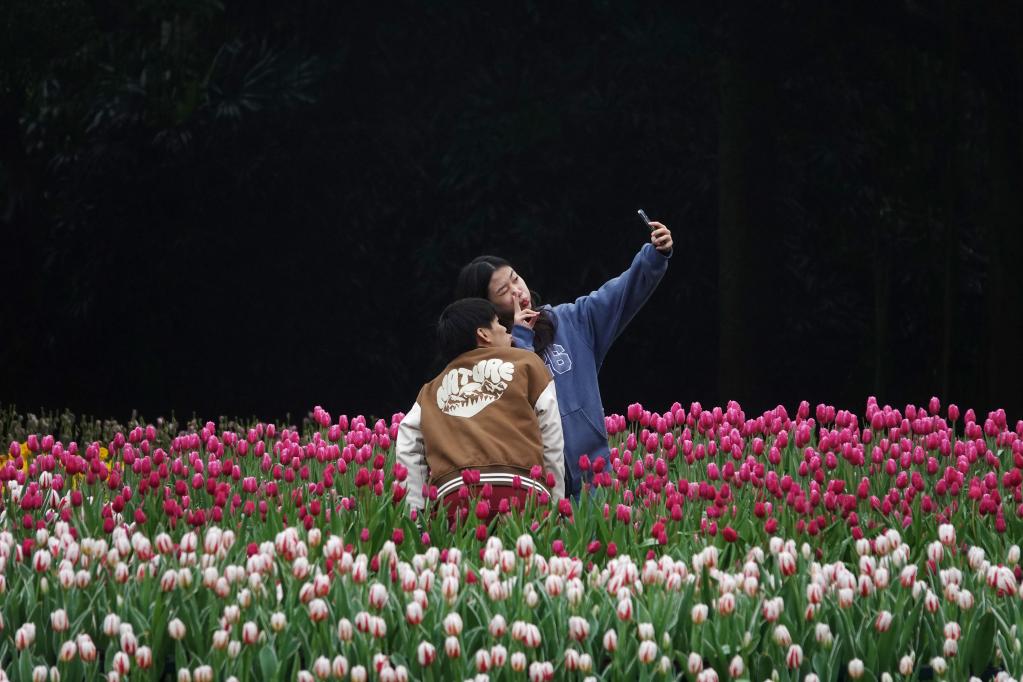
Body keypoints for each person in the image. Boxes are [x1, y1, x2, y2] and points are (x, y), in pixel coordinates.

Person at [455, 220, 672, 497]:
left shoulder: (569, 321)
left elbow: (620, 294)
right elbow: (519, 397)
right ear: (487, 308)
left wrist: (654, 256)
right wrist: (521, 338)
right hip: (537, 493)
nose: (517, 291)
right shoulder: (488, 363)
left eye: (515, 278)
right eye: (504, 291)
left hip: (596, 481)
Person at [396, 298, 566, 518]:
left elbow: (407, 443)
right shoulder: (527, 363)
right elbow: (551, 433)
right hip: (521, 492)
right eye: (498, 323)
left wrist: (416, 515)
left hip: (455, 500)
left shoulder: (430, 391)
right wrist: (555, 505)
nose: (506, 329)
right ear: (483, 334)